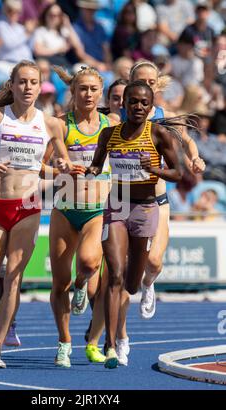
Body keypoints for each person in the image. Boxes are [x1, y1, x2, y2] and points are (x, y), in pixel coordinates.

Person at [0, 60, 73, 369]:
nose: (27, 87)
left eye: (33, 82)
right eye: (22, 81)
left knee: (14, 279)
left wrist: (63, 167)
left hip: (28, 207)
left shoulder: (51, 124)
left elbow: (61, 163)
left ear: (39, 87)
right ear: (12, 85)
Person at [86, 80, 183, 368]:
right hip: (116, 206)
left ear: (151, 107)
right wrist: (90, 170)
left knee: (130, 283)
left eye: (144, 103)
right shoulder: (109, 134)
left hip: (145, 209)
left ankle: (140, 288)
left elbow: (180, 172)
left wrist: (154, 168)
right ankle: (111, 345)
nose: (138, 107)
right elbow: (97, 163)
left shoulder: (159, 134)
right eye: (133, 102)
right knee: (114, 274)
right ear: (123, 103)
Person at [117, 60, 205, 321]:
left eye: (151, 83)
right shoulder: (118, 116)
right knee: (121, 266)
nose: (145, 86)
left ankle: (148, 284)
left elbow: (187, 141)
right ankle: (114, 327)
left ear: (157, 86)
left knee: (153, 262)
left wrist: (194, 160)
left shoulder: (164, 118)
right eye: (140, 81)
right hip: (124, 199)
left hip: (157, 198)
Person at [47, 65, 117, 368]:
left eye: (92, 89)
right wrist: (59, 166)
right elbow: (44, 164)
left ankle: (81, 285)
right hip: (64, 209)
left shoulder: (111, 123)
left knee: (89, 263)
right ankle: (65, 342)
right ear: (73, 92)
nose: (87, 94)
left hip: (97, 209)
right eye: (81, 89)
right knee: (58, 283)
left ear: (100, 93)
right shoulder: (61, 125)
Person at [85, 78, 131, 366]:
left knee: (116, 279)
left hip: (123, 205)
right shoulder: (102, 125)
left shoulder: (139, 128)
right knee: (93, 284)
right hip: (90, 207)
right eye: (115, 98)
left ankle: (115, 338)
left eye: (123, 99)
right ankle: (102, 330)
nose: (120, 104)